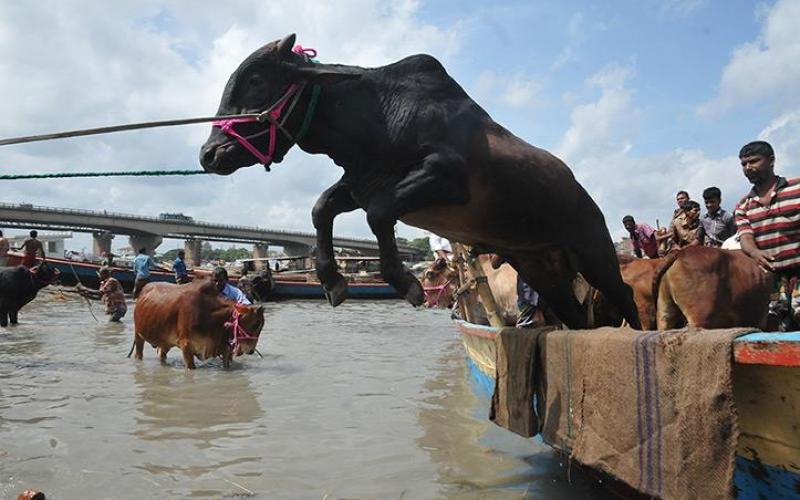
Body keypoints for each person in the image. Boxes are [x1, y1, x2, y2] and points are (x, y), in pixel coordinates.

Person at [734, 140, 800, 326]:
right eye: (744, 164)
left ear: (771, 160)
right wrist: (755, 252)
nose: (748, 167)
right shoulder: (743, 205)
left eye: (754, 161)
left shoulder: (796, 189)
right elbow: (746, 238)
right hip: (771, 278)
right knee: (775, 324)